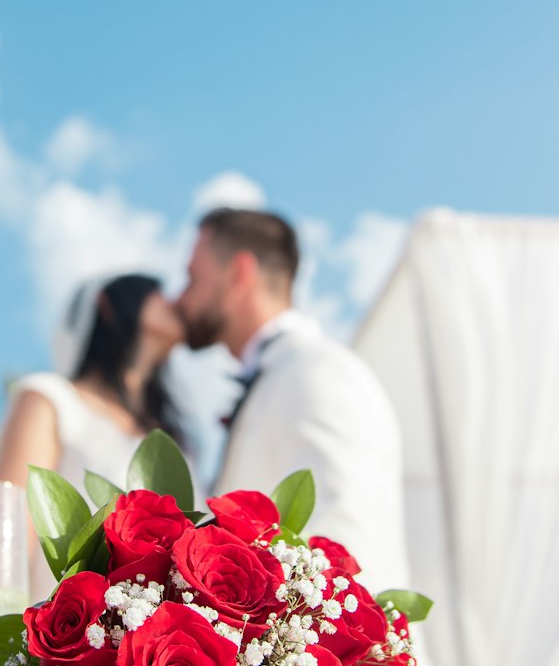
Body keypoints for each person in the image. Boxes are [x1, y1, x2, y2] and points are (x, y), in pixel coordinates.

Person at [176, 207, 410, 595]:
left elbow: (346, 539)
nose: (181, 299)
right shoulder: (283, 376)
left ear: (239, 274)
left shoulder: (318, 372)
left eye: (192, 278)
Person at [0, 273, 186, 600]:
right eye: (156, 294)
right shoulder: (51, 400)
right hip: (62, 632)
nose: (175, 303)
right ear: (108, 306)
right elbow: (6, 533)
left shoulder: (174, 440)